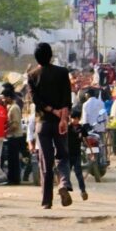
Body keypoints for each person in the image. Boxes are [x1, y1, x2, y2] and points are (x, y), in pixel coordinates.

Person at [27, 42, 74, 209]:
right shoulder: (62, 73)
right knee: (62, 155)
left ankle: (47, 201)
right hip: (59, 122)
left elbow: (36, 101)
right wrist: (62, 118)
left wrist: (51, 111)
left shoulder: (32, 75)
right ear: (51, 55)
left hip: (42, 124)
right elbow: (67, 99)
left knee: (45, 162)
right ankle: (63, 183)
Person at [1, 85, 24, 185]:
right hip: (12, 136)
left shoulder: (14, 108)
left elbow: (15, 124)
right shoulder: (10, 107)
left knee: (13, 160)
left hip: (14, 137)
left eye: (4, 98)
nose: (3, 100)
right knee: (12, 159)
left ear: (9, 97)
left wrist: (6, 132)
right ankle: (13, 179)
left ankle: (14, 179)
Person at [67, 109, 89, 201]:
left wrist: (90, 152)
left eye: (76, 118)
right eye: (73, 118)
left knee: (78, 173)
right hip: (67, 154)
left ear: (79, 119)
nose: (75, 120)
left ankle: (83, 191)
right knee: (66, 173)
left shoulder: (81, 128)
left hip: (77, 154)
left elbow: (86, 140)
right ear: (70, 118)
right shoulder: (67, 128)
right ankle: (65, 190)